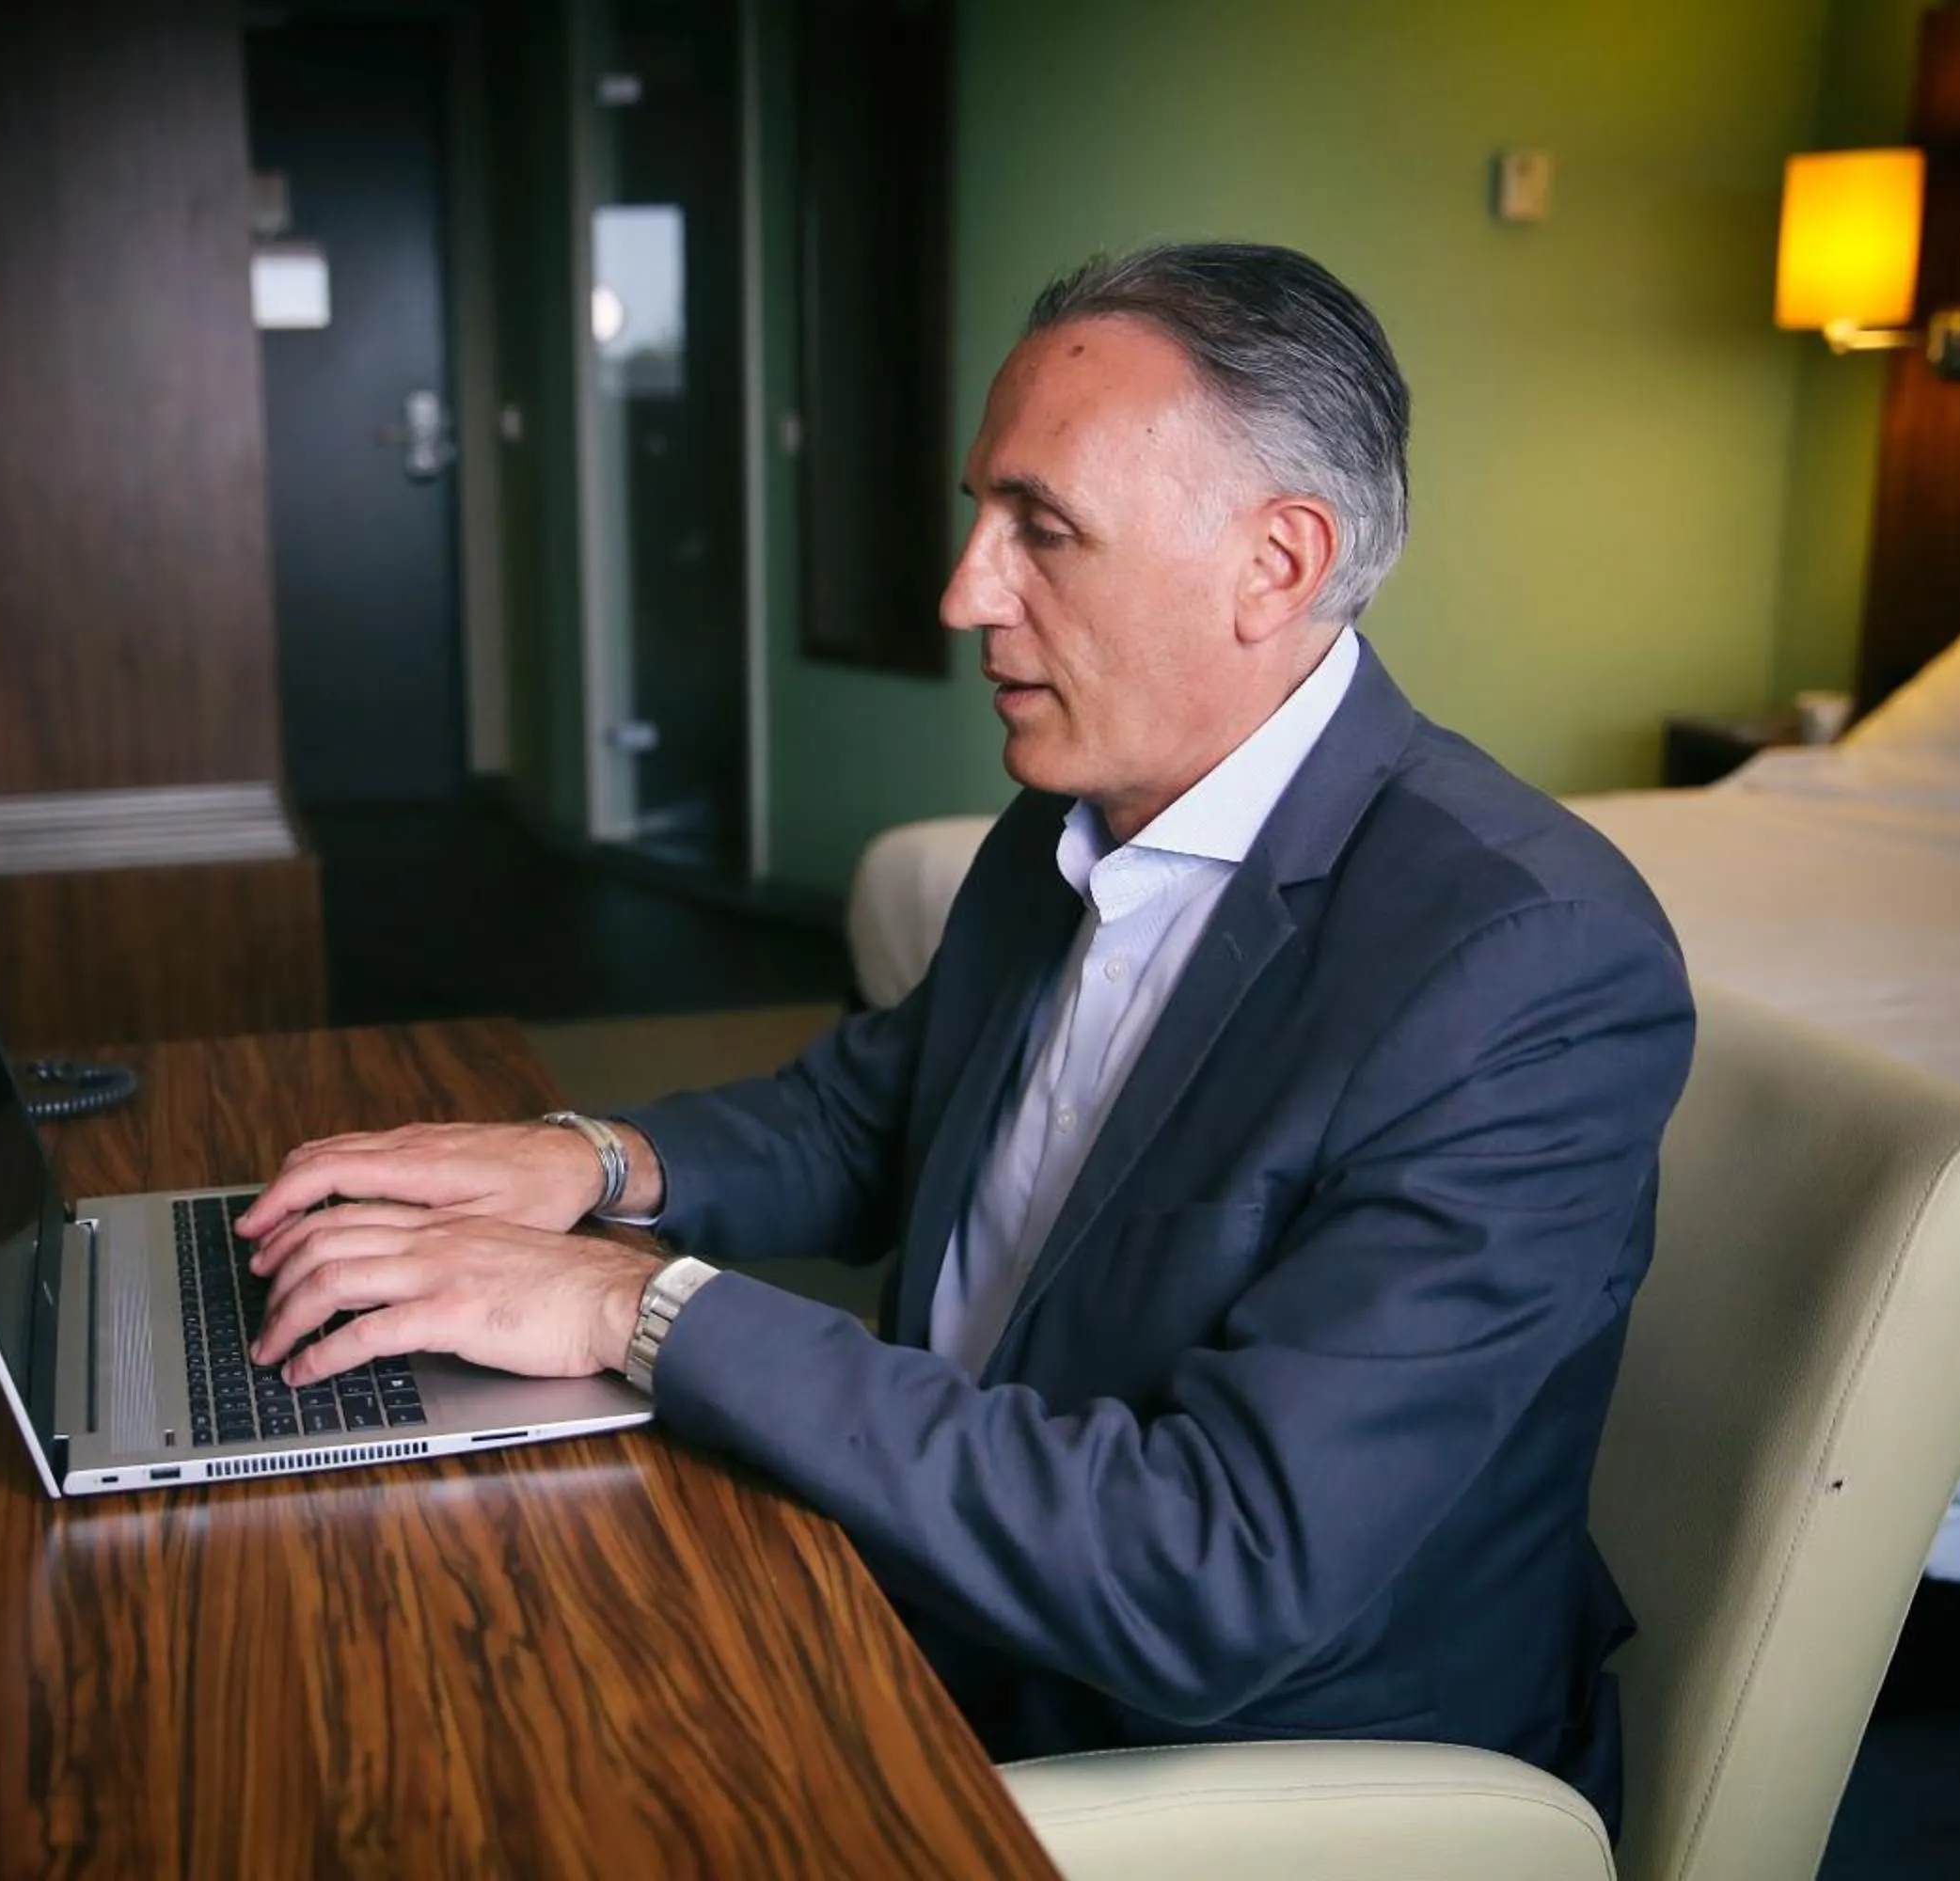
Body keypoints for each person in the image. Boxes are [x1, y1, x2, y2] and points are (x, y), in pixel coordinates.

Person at [241, 240, 1692, 1833]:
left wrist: (634, 1306)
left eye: (1042, 529)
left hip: (1222, 1754)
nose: (963, 594)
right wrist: (580, 1160)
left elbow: (1219, 1570)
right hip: (937, 1569)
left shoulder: (1526, 967)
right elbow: (887, 1112)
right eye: (978, 512)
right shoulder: (1079, 804)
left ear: (1276, 563)